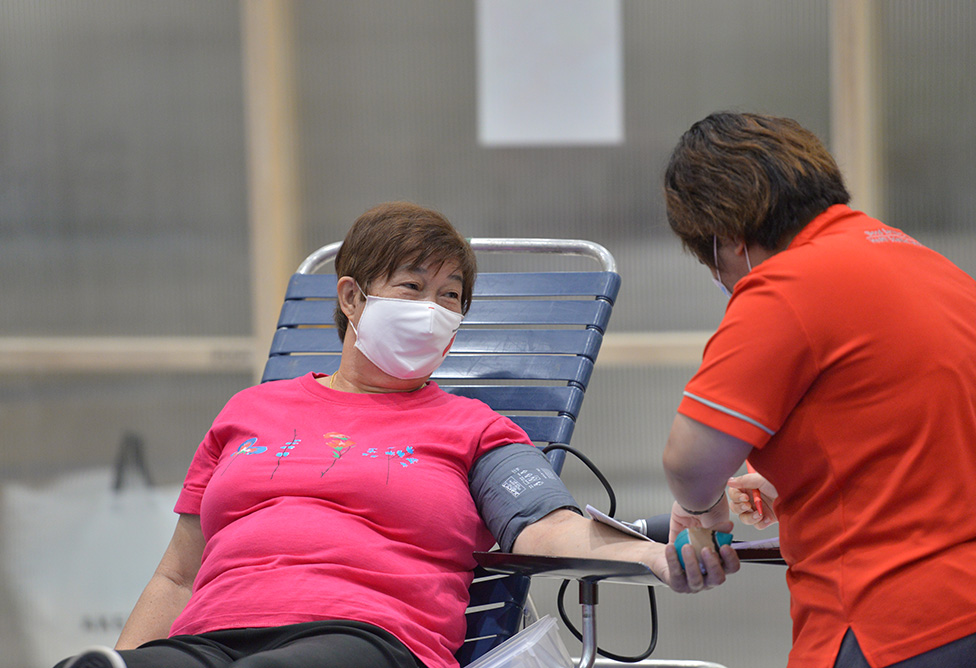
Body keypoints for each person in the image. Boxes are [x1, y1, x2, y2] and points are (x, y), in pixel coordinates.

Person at [59, 201, 738, 668]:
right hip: (214, 639)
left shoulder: (473, 429)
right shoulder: (250, 411)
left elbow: (545, 525)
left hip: (366, 641)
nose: (433, 311)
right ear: (352, 298)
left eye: (451, 297)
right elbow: (178, 575)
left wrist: (654, 556)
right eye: (412, 287)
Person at [659, 111, 976, 668]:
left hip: (890, 621)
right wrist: (798, 477)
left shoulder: (785, 286)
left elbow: (689, 461)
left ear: (726, 239)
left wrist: (702, 510)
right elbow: (919, 426)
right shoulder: (924, 262)